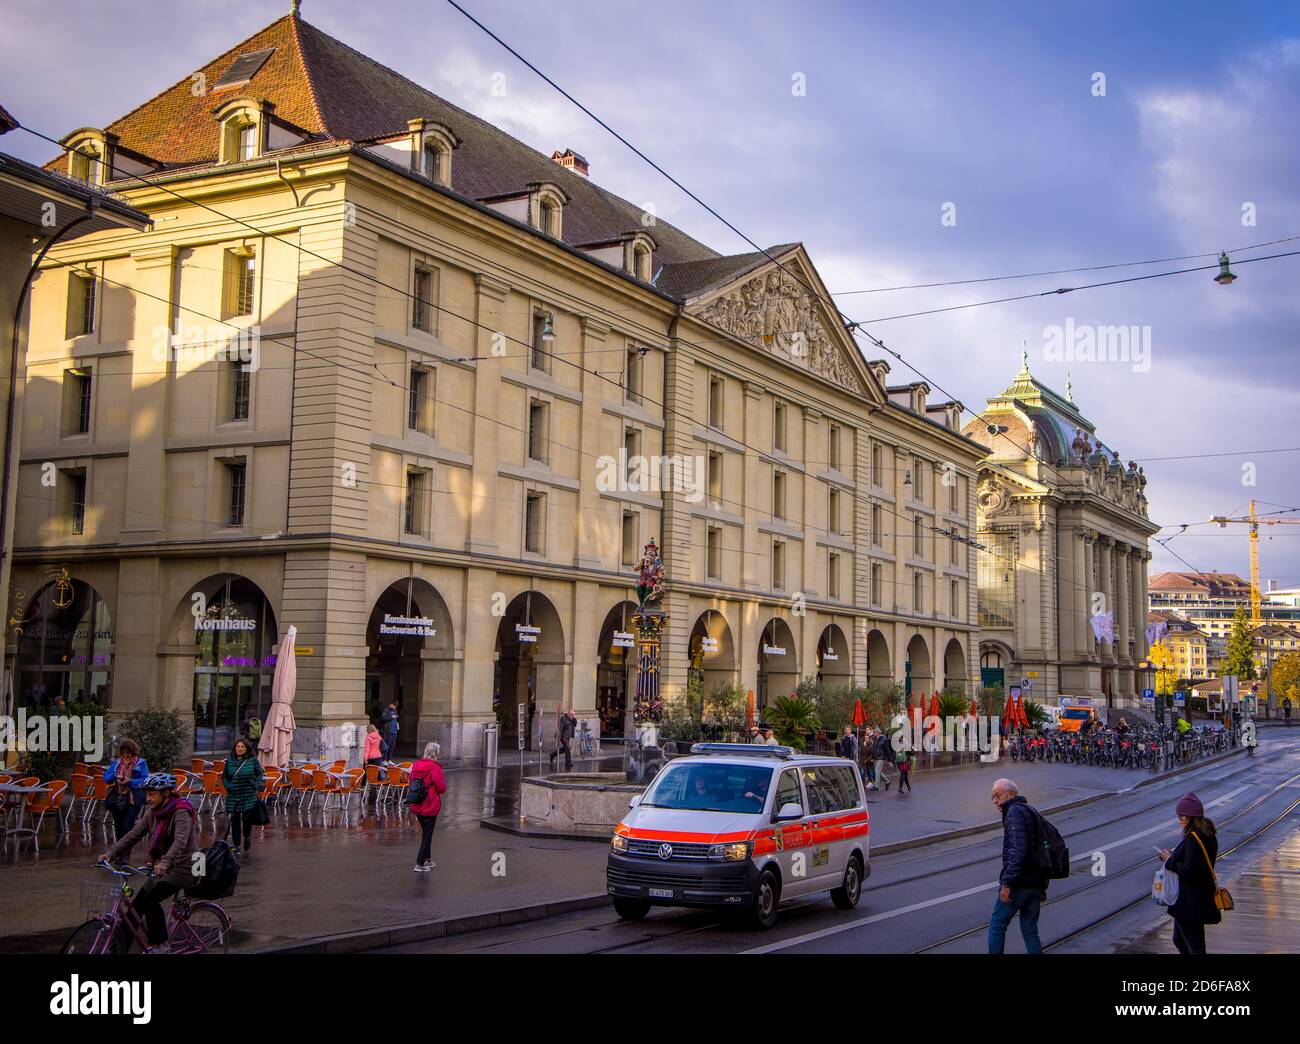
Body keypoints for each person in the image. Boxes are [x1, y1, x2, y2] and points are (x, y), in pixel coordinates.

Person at [97, 773, 200, 954]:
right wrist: (110, 854)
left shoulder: (181, 811)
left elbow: (180, 841)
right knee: (136, 907)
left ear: (166, 793)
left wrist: (166, 862)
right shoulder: (154, 812)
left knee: (151, 899)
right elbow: (134, 834)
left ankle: (161, 946)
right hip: (166, 866)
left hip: (188, 866)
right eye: (147, 794)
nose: (148, 798)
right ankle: (118, 949)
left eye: (153, 794)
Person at [1156, 792, 1221, 955]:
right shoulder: (1206, 834)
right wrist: (1176, 852)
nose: (1180, 821)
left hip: (1191, 900)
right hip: (1196, 897)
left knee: (1196, 947)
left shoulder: (1193, 838)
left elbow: (1189, 870)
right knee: (1180, 940)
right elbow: (1197, 859)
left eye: (1181, 817)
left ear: (1189, 817)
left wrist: (1169, 860)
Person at [988, 778, 1047, 955]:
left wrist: (1007, 883)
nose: (995, 801)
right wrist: (1042, 885)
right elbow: (1041, 848)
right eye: (992, 797)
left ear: (1011, 794)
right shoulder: (1030, 810)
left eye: (997, 796)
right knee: (1029, 930)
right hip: (1035, 882)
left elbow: (1018, 852)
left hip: (1020, 882)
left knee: (997, 925)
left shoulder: (1014, 813)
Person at [221, 738, 265, 857]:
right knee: (234, 820)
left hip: (248, 794)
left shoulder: (252, 760)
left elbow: (259, 773)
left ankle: (247, 836)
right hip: (234, 795)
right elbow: (224, 776)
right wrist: (228, 786)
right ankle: (237, 845)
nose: (239, 749)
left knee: (246, 818)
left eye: (242, 747)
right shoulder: (230, 761)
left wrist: (256, 785)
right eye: (238, 747)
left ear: (246, 749)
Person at [409, 741, 447, 872]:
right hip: (430, 804)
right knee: (427, 834)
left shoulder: (416, 765)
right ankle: (419, 863)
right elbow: (442, 788)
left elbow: (411, 782)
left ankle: (428, 860)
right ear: (436, 753)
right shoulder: (435, 768)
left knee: (426, 832)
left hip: (417, 803)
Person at [103, 739, 149, 840]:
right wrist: (115, 776)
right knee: (118, 825)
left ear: (133, 752)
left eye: (129, 753)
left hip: (134, 798)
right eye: (124, 753)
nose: (126, 756)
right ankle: (119, 850)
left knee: (127, 825)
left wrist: (131, 781)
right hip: (118, 797)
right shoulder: (117, 762)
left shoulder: (141, 763)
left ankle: (126, 851)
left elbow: (145, 779)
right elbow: (106, 777)